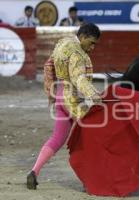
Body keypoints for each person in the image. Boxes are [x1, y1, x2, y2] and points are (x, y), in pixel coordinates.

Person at [26, 23, 102, 190]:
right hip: (72, 99)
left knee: (57, 138)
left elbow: (48, 66)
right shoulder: (77, 52)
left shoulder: (63, 44)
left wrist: (51, 92)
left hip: (60, 95)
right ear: (83, 37)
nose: (93, 47)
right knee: (91, 137)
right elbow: (78, 79)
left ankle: (34, 171)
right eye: (92, 42)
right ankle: (89, 181)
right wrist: (94, 95)